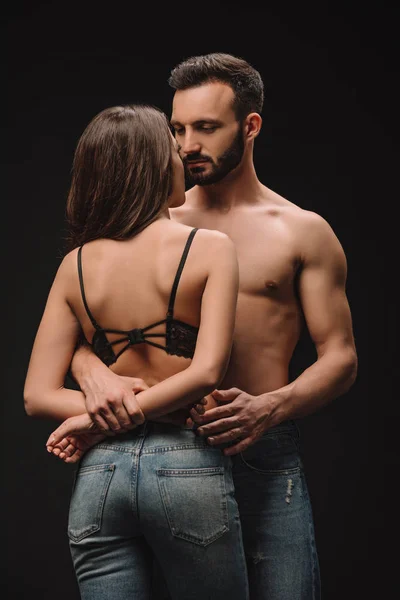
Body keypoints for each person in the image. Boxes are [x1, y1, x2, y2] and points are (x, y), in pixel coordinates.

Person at [53, 53, 358, 599]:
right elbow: (76, 320)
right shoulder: (150, 217)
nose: (186, 144)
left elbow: (340, 356)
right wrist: (94, 373)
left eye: (206, 127)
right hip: (166, 441)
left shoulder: (302, 232)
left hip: (260, 446)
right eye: (177, 128)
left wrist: (271, 407)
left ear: (250, 126)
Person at [23, 103, 251, 600]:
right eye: (172, 150)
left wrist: (96, 417)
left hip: (100, 473)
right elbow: (207, 370)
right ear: (149, 166)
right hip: (185, 462)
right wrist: (138, 410)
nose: (182, 159)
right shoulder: (210, 248)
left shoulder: (74, 265)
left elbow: (38, 396)